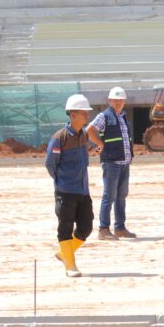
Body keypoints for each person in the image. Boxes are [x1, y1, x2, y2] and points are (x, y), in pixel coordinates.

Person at [45, 94, 94, 278]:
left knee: (86, 227)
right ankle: (70, 266)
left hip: (82, 190)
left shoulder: (84, 135)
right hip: (65, 192)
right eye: (83, 113)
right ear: (72, 114)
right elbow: (51, 164)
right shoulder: (60, 138)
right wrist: (61, 182)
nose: (86, 117)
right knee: (65, 228)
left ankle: (65, 253)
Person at [87, 86, 136, 240]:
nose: (118, 103)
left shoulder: (123, 116)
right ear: (110, 101)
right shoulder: (105, 116)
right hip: (112, 162)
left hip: (124, 162)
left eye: (121, 100)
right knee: (109, 195)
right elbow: (90, 130)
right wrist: (99, 144)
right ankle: (103, 229)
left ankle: (120, 228)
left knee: (121, 196)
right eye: (115, 100)